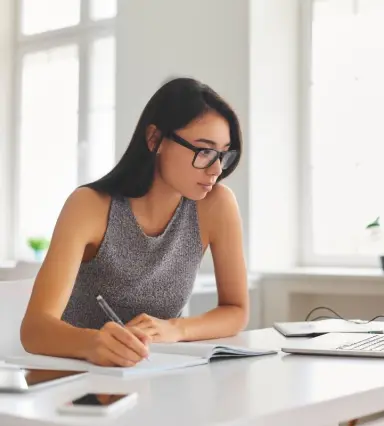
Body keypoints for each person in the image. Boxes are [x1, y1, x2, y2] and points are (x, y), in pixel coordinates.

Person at [20, 78, 248, 367]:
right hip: (75, 379)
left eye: (223, 154)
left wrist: (176, 329)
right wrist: (93, 343)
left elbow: (236, 309)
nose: (216, 169)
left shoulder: (216, 205)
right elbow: (34, 330)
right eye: (203, 151)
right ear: (155, 139)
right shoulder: (89, 206)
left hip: (154, 375)